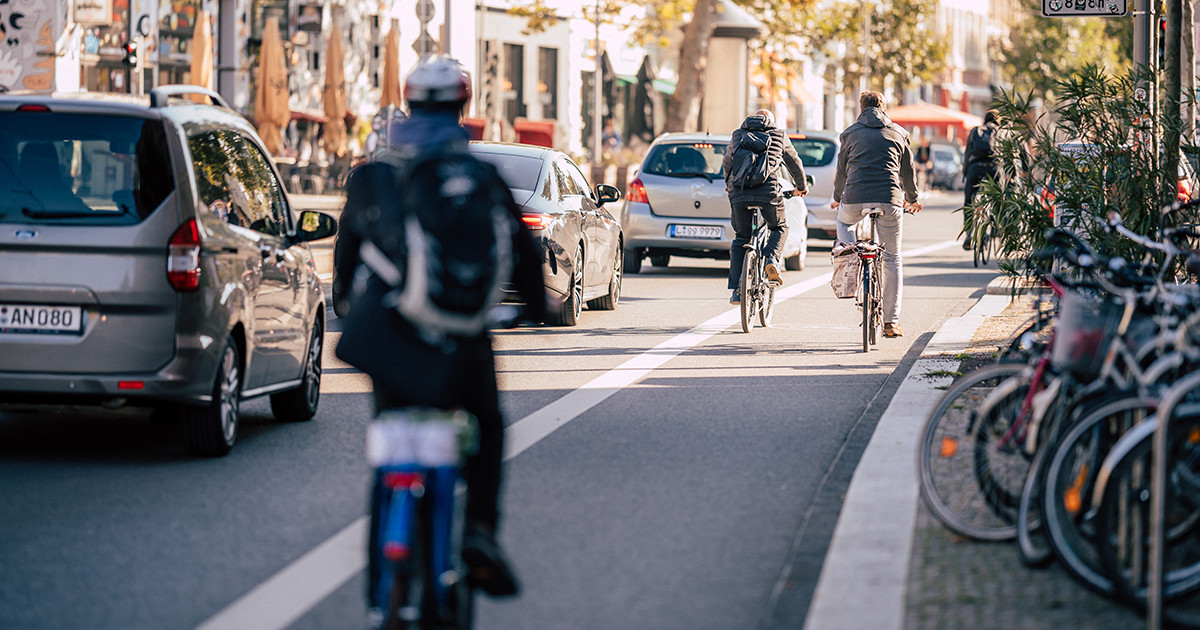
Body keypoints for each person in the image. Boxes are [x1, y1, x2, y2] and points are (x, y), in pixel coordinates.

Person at [334, 56, 547, 609]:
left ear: (408, 103)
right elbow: (525, 257)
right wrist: (536, 311)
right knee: (488, 429)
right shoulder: (481, 177)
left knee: (390, 438)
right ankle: (478, 530)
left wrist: (343, 302)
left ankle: (388, 551)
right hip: (462, 343)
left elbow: (346, 254)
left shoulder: (372, 176)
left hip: (394, 342)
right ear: (463, 107)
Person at [831, 91, 923, 338]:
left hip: (854, 198)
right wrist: (912, 199)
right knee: (892, 258)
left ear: (860, 109)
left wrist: (837, 197)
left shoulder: (849, 133)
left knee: (843, 222)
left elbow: (841, 171)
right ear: (883, 107)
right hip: (889, 198)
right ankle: (891, 322)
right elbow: (908, 173)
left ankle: (849, 253)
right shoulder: (899, 133)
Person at [721, 108, 808, 305]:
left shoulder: (738, 135)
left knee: (741, 238)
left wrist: (728, 184)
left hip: (739, 192)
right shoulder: (779, 135)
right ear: (771, 121)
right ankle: (770, 259)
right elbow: (794, 163)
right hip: (768, 194)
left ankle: (736, 290)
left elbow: (727, 162)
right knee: (779, 227)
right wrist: (801, 187)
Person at [962, 110, 999, 249]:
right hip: (993, 169)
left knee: (969, 201)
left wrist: (965, 173)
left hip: (975, 168)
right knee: (998, 196)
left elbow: (967, 153)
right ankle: (996, 225)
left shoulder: (975, 131)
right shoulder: (1000, 131)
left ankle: (969, 234)